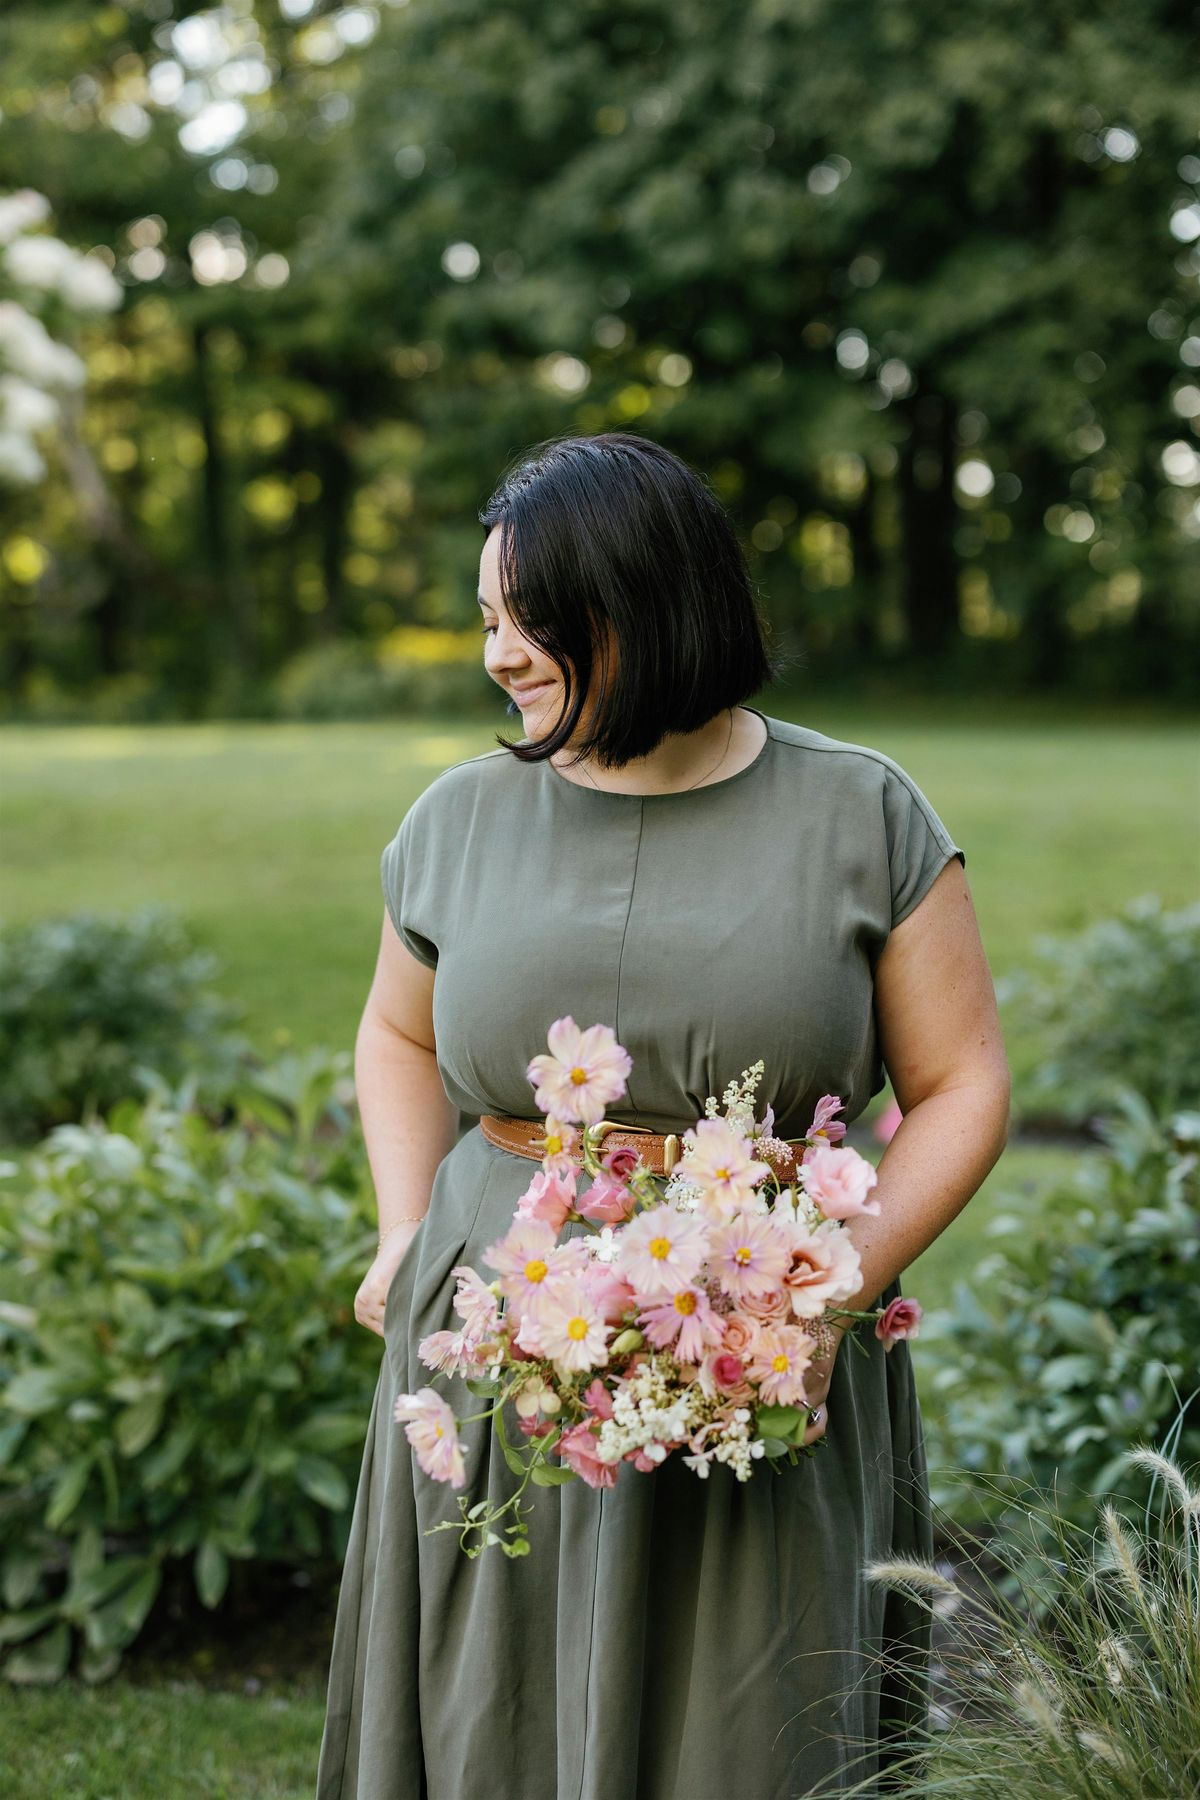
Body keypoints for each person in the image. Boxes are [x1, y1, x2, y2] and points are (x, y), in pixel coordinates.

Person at [315, 431, 1010, 1799]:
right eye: (489, 621)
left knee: (751, 1720)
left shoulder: (862, 812)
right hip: (504, 1343)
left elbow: (963, 1085)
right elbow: (397, 1033)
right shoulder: (456, 818)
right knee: (490, 1710)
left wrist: (822, 1300)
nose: (500, 656)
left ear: (646, 605)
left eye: (534, 622)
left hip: (762, 1336)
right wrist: (406, 1229)